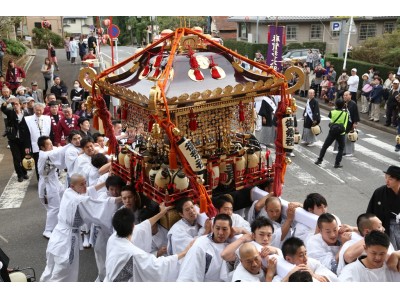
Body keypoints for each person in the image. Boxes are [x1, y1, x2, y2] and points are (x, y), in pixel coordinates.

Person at [40, 174, 121, 282]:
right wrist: (123, 197)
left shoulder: (68, 192)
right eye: (81, 184)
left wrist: (104, 183)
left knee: (50, 268)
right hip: (67, 240)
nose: (84, 186)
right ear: (72, 186)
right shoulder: (78, 200)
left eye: (85, 183)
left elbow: (88, 191)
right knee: (63, 271)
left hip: (57, 236)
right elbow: (97, 205)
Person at [104, 207, 192, 282]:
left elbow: (144, 225)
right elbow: (158, 266)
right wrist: (184, 252)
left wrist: (162, 213)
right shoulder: (134, 254)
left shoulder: (113, 238)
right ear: (133, 225)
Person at [177, 214, 233, 282]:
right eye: (217, 228)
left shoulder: (233, 242)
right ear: (213, 227)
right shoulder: (201, 244)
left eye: (224, 229)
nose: (221, 233)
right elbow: (190, 274)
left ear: (230, 229)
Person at [37, 136, 66, 239]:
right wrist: (69, 146)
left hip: (55, 182)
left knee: (63, 199)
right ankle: (48, 230)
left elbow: (58, 149)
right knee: (54, 208)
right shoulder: (44, 155)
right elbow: (58, 151)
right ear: (42, 147)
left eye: (51, 143)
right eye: (49, 144)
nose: (51, 146)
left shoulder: (49, 152)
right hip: (47, 185)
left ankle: (60, 223)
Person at [273, 237, 338, 282]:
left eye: (305, 253)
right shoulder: (280, 271)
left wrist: (313, 275)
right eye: (301, 255)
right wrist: (289, 275)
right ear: (288, 259)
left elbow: (331, 277)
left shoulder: (310, 262)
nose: (306, 258)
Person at [367, 165, 400, 251]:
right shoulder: (379, 192)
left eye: (390, 179)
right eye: (386, 177)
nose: (387, 181)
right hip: (386, 227)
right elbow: (370, 212)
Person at [1, 97, 31, 182]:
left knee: (24, 157)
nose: (15, 106)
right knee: (16, 158)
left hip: (24, 139)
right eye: (14, 104)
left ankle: (24, 173)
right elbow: (3, 108)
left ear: (21, 105)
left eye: (17, 104)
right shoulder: (10, 113)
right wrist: (7, 102)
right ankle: (20, 175)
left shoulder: (26, 114)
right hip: (13, 140)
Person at [315, 98, 349, 169]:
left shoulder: (332, 112)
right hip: (341, 133)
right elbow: (346, 122)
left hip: (332, 131)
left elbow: (330, 118)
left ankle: (319, 160)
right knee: (341, 148)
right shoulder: (346, 114)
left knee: (325, 146)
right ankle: (337, 163)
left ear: (336, 104)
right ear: (343, 105)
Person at [25, 103, 51, 180]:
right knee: (38, 163)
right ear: (34, 110)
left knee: (48, 162)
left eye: (40, 110)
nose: (38, 112)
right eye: (37, 110)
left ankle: (48, 178)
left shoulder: (47, 118)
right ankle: (40, 179)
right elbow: (26, 134)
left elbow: (51, 132)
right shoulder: (27, 119)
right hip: (34, 144)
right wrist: (27, 146)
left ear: (43, 110)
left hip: (47, 144)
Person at [333, 91, 360, 157]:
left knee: (349, 136)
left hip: (350, 122)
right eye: (344, 95)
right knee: (342, 136)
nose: (345, 96)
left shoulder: (353, 104)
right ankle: (341, 150)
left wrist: (355, 122)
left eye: (346, 95)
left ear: (350, 96)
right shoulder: (343, 103)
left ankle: (349, 152)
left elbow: (355, 114)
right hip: (343, 122)